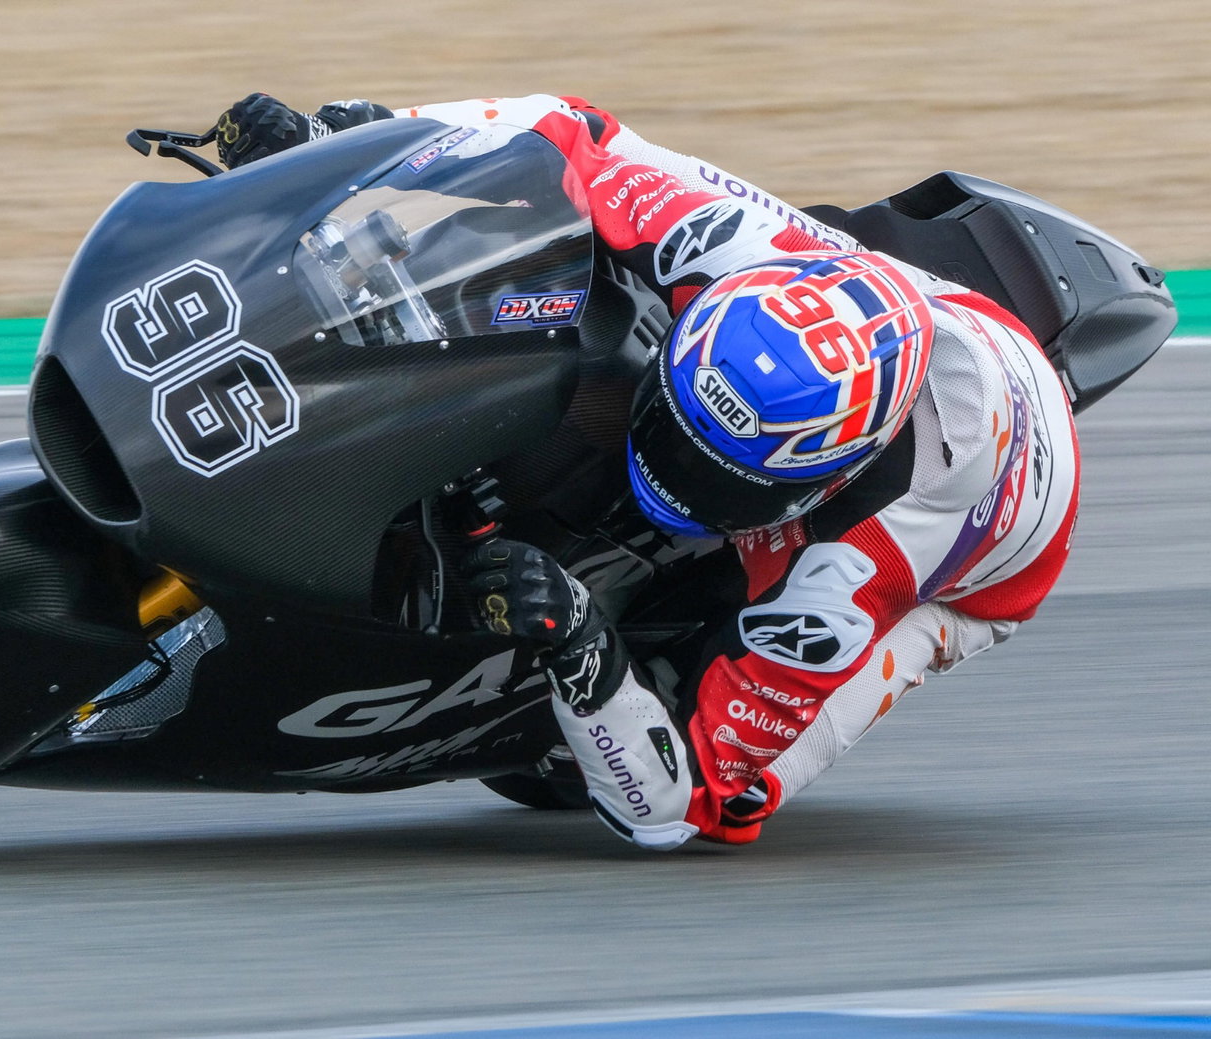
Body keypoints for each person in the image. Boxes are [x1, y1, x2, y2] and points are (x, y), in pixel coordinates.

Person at [215, 93, 1081, 850]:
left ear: (820, 488)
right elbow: (562, 132)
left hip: (965, 579)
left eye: (722, 480)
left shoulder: (853, 572)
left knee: (743, 787)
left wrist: (583, 645)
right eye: (676, 434)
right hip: (908, 320)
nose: (667, 476)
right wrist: (341, 137)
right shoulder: (733, 247)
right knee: (573, 264)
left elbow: (678, 808)